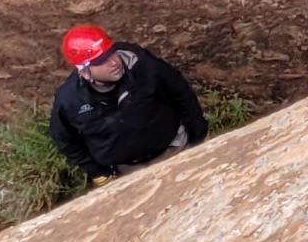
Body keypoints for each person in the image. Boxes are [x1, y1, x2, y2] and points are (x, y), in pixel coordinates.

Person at [47, 24, 210, 182]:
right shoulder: (70, 100)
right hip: (127, 171)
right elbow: (64, 139)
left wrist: (198, 135)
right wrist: (97, 172)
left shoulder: (144, 67)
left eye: (112, 53)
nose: (113, 62)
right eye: (102, 61)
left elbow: (181, 91)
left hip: (174, 149)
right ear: (84, 71)